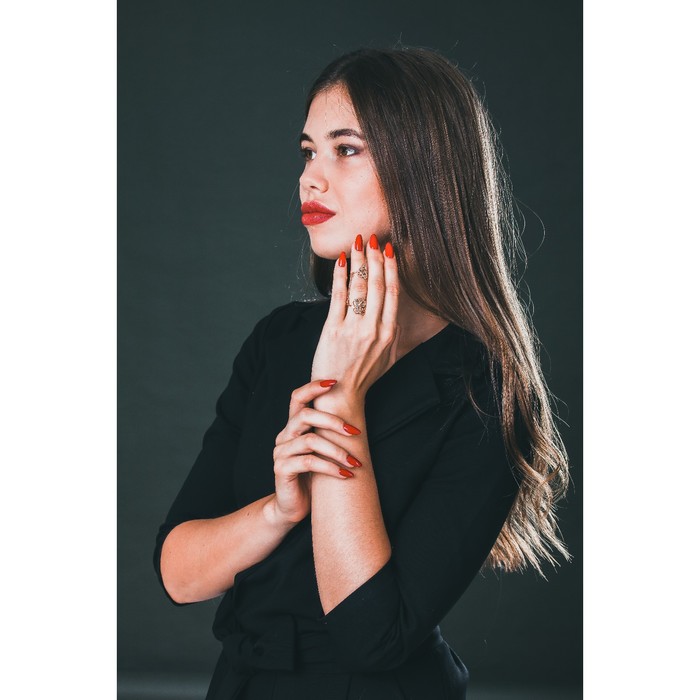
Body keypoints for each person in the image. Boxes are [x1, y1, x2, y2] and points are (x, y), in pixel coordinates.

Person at [154, 46, 570, 700]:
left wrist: (342, 394)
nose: (310, 179)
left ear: (425, 169)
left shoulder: (487, 391)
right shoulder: (278, 341)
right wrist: (278, 511)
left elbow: (370, 636)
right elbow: (179, 576)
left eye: (345, 150)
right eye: (307, 152)